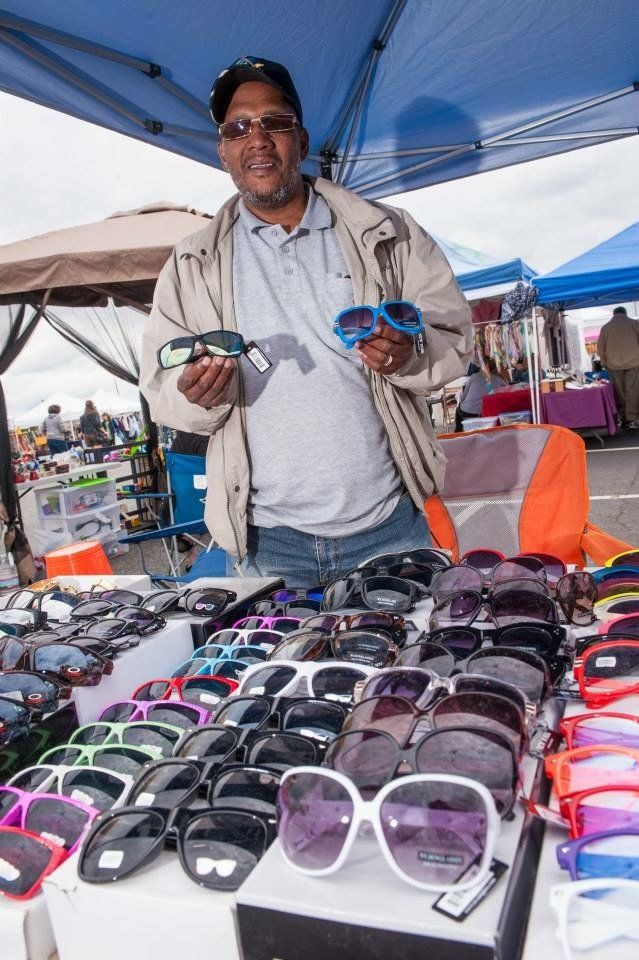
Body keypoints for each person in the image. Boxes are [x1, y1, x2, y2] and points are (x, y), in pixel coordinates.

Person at [140, 55, 472, 587]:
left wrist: (411, 354)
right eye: (239, 127)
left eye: (275, 122)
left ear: (301, 137)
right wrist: (198, 394)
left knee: (405, 668)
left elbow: (455, 338)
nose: (258, 138)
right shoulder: (190, 263)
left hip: (390, 524)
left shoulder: (389, 231)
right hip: (265, 542)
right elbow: (161, 388)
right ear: (223, 151)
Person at [596, 306, 639, 429]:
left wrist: (605, 363)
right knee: (632, 391)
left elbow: (600, 348)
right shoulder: (635, 323)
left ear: (613, 314)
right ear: (625, 313)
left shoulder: (606, 327)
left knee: (619, 392)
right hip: (634, 363)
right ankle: (632, 418)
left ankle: (624, 419)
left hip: (613, 365)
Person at [455, 358, 507, 432]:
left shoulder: (474, 376)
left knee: (458, 410)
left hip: (466, 412)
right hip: (486, 414)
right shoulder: (499, 380)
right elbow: (508, 390)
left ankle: (458, 433)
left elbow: (464, 396)